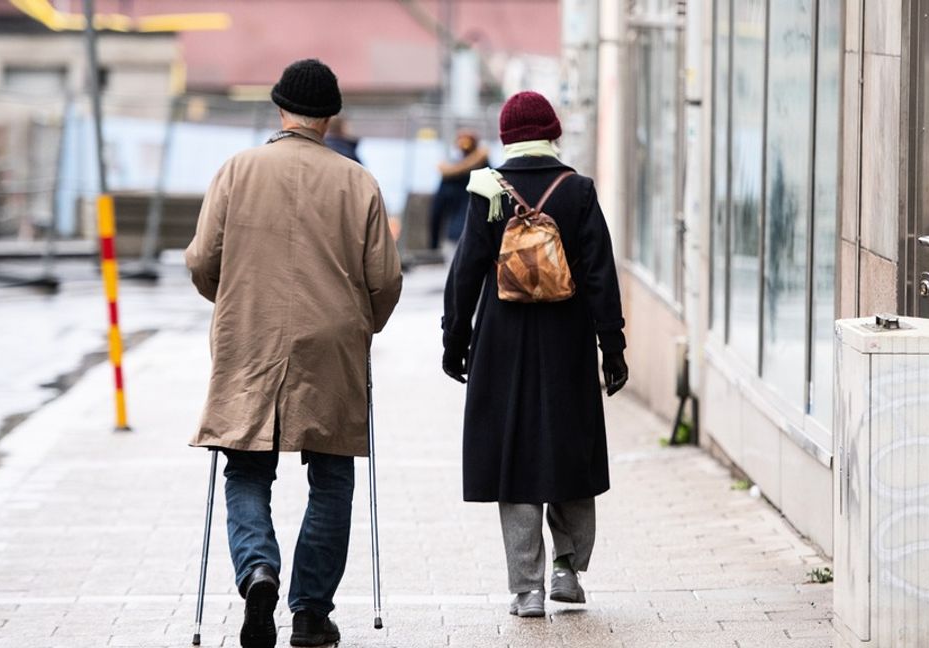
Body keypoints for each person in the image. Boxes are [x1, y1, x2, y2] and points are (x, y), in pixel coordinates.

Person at [185, 59, 402, 648]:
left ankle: (258, 569)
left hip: (249, 336)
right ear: (330, 116)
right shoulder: (358, 181)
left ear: (279, 107)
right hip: (332, 343)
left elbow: (203, 261)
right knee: (332, 477)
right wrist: (361, 328)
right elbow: (384, 279)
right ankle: (309, 614)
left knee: (247, 466)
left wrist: (233, 302)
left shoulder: (237, 171)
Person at [441, 91, 628, 618]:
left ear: (505, 137)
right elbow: (600, 276)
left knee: (514, 460)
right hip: (566, 342)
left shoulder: (487, 189)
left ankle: (527, 588)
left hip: (502, 347)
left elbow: (464, 275)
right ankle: (568, 568)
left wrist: (455, 341)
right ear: (555, 132)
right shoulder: (578, 191)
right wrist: (610, 345)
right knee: (569, 448)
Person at [430, 129, 489, 250]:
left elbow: (437, 209)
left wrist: (434, 242)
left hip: (456, 235)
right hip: (482, 235)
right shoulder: (487, 172)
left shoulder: (450, 175)